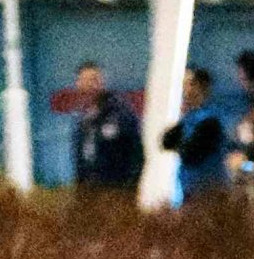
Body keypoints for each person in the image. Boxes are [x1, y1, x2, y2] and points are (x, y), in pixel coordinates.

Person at [65, 61, 143, 192]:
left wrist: (129, 189)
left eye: (94, 79)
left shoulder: (120, 112)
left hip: (117, 190)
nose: (89, 85)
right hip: (88, 190)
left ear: (102, 82)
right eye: (83, 80)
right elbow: (80, 159)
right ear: (77, 84)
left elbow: (137, 153)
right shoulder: (80, 118)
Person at [161, 66, 228, 200]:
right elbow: (166, 141)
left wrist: (181, 146)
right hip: (190, 187)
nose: (184, 90)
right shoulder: (190, 117)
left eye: (188, 84)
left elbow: (192, 153)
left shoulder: (211, 119)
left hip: (206, 188)